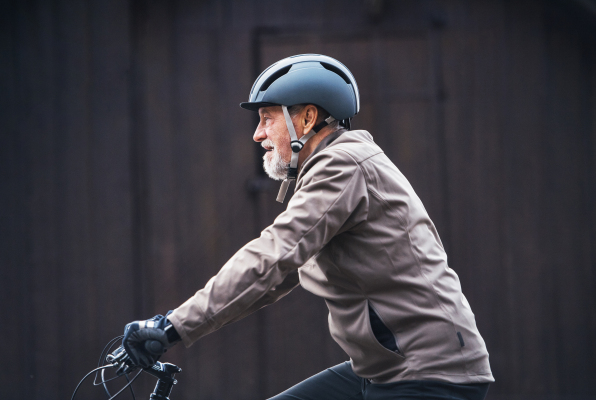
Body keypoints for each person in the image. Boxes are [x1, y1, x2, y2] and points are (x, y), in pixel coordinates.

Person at [122, 54, 494, 399]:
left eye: (267, 118)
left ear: (307, 119)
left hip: (429, 374)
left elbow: (274, 255)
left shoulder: (343, 165)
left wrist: (172, 326)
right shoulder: (333, 168)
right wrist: (181, 326)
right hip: (382, 369)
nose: (257, 134)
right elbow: (273, 277)